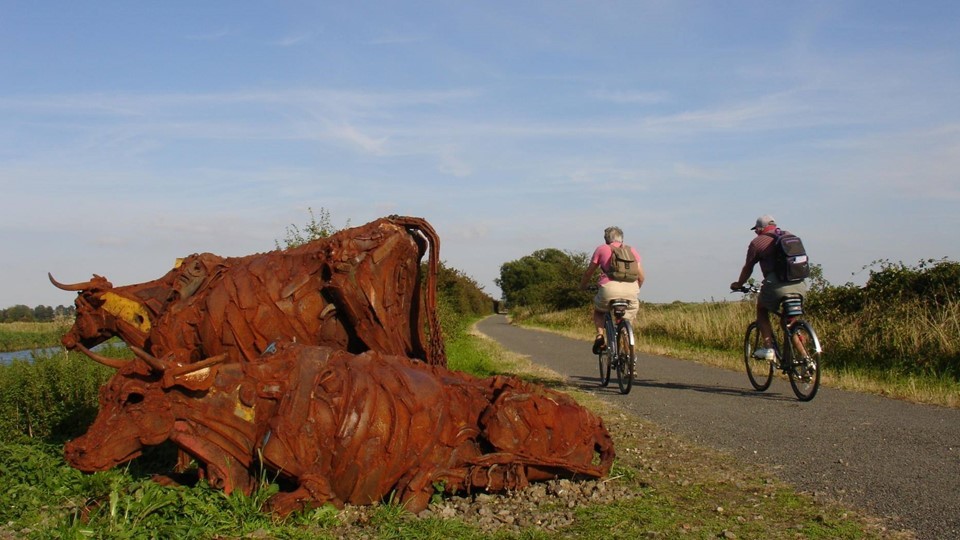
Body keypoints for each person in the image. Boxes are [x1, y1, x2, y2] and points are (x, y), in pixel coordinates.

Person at [729, 215, 808, 360]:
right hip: (800, 284)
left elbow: (748, 268)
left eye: (756, 230)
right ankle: (806, 358)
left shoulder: (757, 242)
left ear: (760, 228)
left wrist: (738, 284)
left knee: (761, 309)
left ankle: (768, 348)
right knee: (790, 322)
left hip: (776, 284)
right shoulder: (790, 235)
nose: (755, 233)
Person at [579, 226, 645, 354]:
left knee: (599, 312)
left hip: (608, 289)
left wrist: (582, 286)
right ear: (622, 238)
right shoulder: (631, 250)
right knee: (627, 321)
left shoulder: (602, 249)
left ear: (606, 239)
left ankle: (599, 336)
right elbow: (641, 277)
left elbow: (588, 273)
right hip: (631, 289)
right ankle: (630, 358)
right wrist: (634, 289)